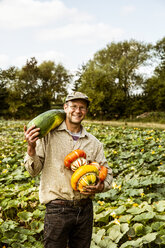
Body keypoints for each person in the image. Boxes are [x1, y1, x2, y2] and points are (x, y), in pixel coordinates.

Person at [24, 91, 113, 248]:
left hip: (85, 209)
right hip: (57, 209)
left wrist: (100, 186)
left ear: (85, 111)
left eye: (82, 107)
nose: (77, 111)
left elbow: (107, 173)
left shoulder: (94, 143)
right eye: (73, 106)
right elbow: (33, 171)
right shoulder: (47, 136)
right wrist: (31, 148)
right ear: (65, 108)